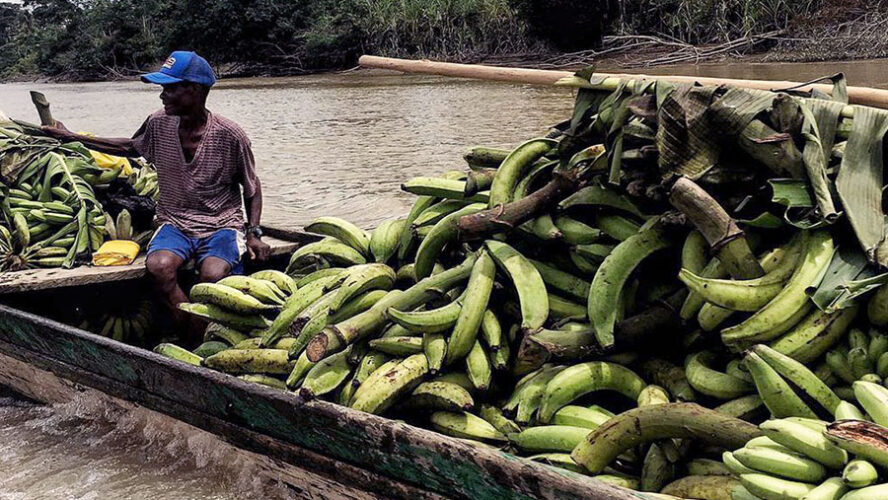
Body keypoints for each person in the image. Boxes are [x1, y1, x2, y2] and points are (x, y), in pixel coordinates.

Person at [42, 51, 271, 340]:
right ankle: (196, 338)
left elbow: (252, 187)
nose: (163, 95)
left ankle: (193, 339)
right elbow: (129, 147)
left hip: (221, 223)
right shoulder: (159, 122)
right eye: (162, 88)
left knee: (212, 276)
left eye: (171, 88)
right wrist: (74, 137)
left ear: (196, 90)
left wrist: (254, 233)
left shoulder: (230, 135)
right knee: (158, 268)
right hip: (175, 220)